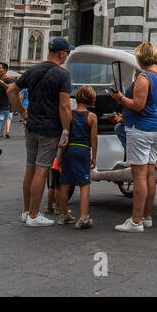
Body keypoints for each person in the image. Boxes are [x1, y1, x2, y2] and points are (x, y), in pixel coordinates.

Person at [9, 38, 73, 227]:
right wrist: (67, 130)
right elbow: (64, 106)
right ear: (62, 53)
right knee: (42, 169)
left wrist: (23, 113)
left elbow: (11, 91)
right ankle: (34, 215)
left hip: (32, 126)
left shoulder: (33, 70)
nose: (67, 56)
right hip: (49, 129)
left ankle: (26, 211)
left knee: (30, 168)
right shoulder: (62, 75)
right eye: (67, 53)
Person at [110, 41, 157, 232]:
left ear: (141, 57)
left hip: (141, 129)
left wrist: (120, 98)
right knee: (150, 174)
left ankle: (135, 221)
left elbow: (138, 105)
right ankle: (146, 216)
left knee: (139, 176)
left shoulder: (144, 77)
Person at [60, 86, 99, 229]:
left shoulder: (70, 114)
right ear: (91, 99)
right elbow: (94, 139)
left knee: (65, 182)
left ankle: (64, 214)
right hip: (83, 151)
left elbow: (65, 133)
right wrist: (94, 157)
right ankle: (83, 217)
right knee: (84, 184)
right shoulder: (92, 116)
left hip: (69, 149)